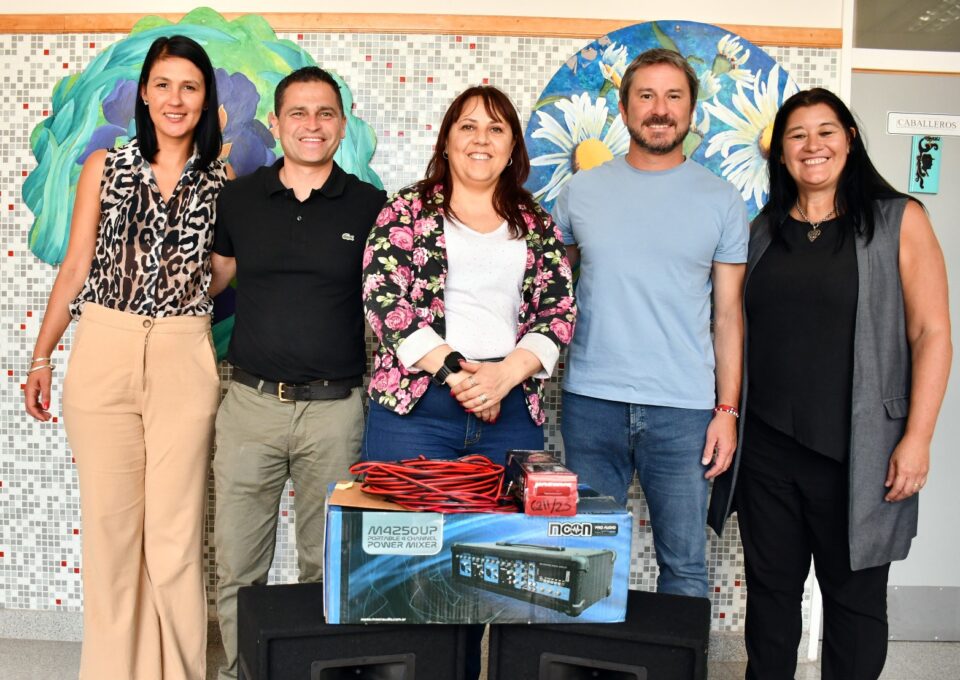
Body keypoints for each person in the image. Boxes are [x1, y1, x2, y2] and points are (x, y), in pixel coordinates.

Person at [708, 88, 952, 680]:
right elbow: (731, 326)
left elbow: (932, 333)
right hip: (768, 452)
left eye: (826, 131)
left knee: (855, 606)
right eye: (797, 135)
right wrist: (728, 413)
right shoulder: (760, 232)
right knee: (770, 601)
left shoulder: (898, 220)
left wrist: (917, 438)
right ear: (780, 153)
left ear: (850, 140)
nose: (812, 145)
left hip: (860, 453)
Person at [23, 35, 227, 679]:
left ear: (206, 99)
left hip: (182, 354)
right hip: (104, 349)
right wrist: (40, 357)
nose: (175, 98)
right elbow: (76, 266)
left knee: (173, 537)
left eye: (189, 86)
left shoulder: (222, 182)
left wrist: (186, 292)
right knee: (111, 534)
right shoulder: (104, 166)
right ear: (143, 93)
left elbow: (223, 272)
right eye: (163, 84)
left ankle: (180, 672)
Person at [361, 84, 576, 679]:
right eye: (468, 126)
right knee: (407, 574)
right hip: (415, 411)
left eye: (496, 128)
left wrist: (505, 376)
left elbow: (559, 310)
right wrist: (457, 374)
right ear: (447, 140)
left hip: (507, 413)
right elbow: (383, 298)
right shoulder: (406, 210)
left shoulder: (535, 223)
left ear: (513, 147)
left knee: (489, 575)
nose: (482, 139)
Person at [208, 66, 386, 680]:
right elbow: (209, 283)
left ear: (342, 124)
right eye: (299, 113)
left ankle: (317, 672)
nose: (312, 125)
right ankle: (242, 674)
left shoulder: (370, 205)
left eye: (325, 113)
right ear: (277, 123)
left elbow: (398, 297)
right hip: (249, 407)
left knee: (327, 566)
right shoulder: (238, 199)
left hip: (335, 415)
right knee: (239, 567)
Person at [552, 48, 748, 598]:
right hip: (592, 404)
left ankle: (674, 653)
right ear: (623, 108)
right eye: (646, 95)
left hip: (684, 411)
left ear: (691, 110)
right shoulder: (580, 192)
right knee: (585, 560)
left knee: (684, 567)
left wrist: (726, 411)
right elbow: (548, 295)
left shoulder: (722, 200)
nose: (660, 109)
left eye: (673, 96)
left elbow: (728, 316)